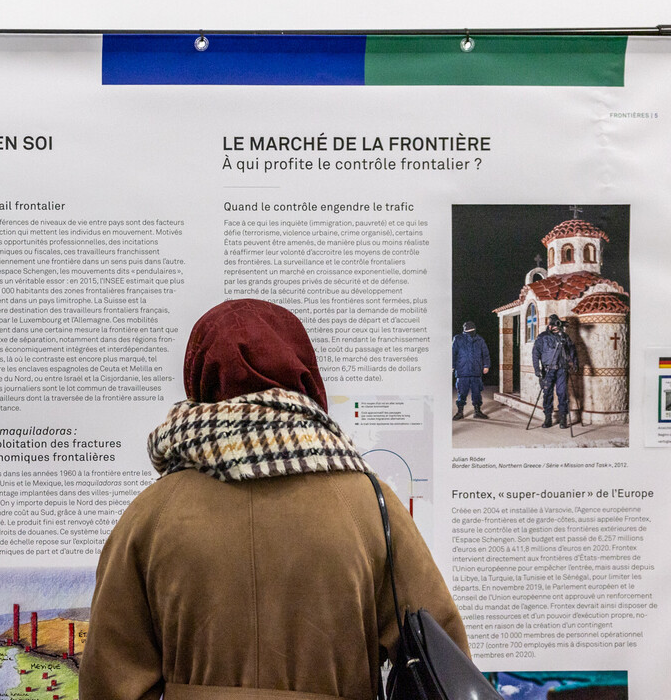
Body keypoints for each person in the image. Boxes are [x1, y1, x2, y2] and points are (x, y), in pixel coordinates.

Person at [78, 299, 467, 700]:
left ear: (201, 377)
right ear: (305, 376)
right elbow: (440, 657)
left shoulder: (150, 515)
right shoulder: (369, 503)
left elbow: (109, 681)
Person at [531, 313, 578, 429]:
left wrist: (575, 363)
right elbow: (535, 353)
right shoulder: (542, 337)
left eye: (557, 324)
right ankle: (548, 418)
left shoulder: (564, 337)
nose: (555, 327)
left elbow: (572, 350)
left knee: (562, 393)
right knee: (547, 394)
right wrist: (537, 369)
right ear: (549, 325)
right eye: (553, 324)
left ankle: (563, 419)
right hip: (548, 370)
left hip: (562, 369)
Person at [452, 320, 491, 420]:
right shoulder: (458, 339)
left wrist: (486, 365)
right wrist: (452, 365)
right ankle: (460, 412)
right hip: (462, 371)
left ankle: (477, 412)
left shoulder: (480, 340)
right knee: (462, 392)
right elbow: (453, 353)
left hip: (476, 371)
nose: (471, 332)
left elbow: (485, 353)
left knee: (477, 392)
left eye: (472, 330)